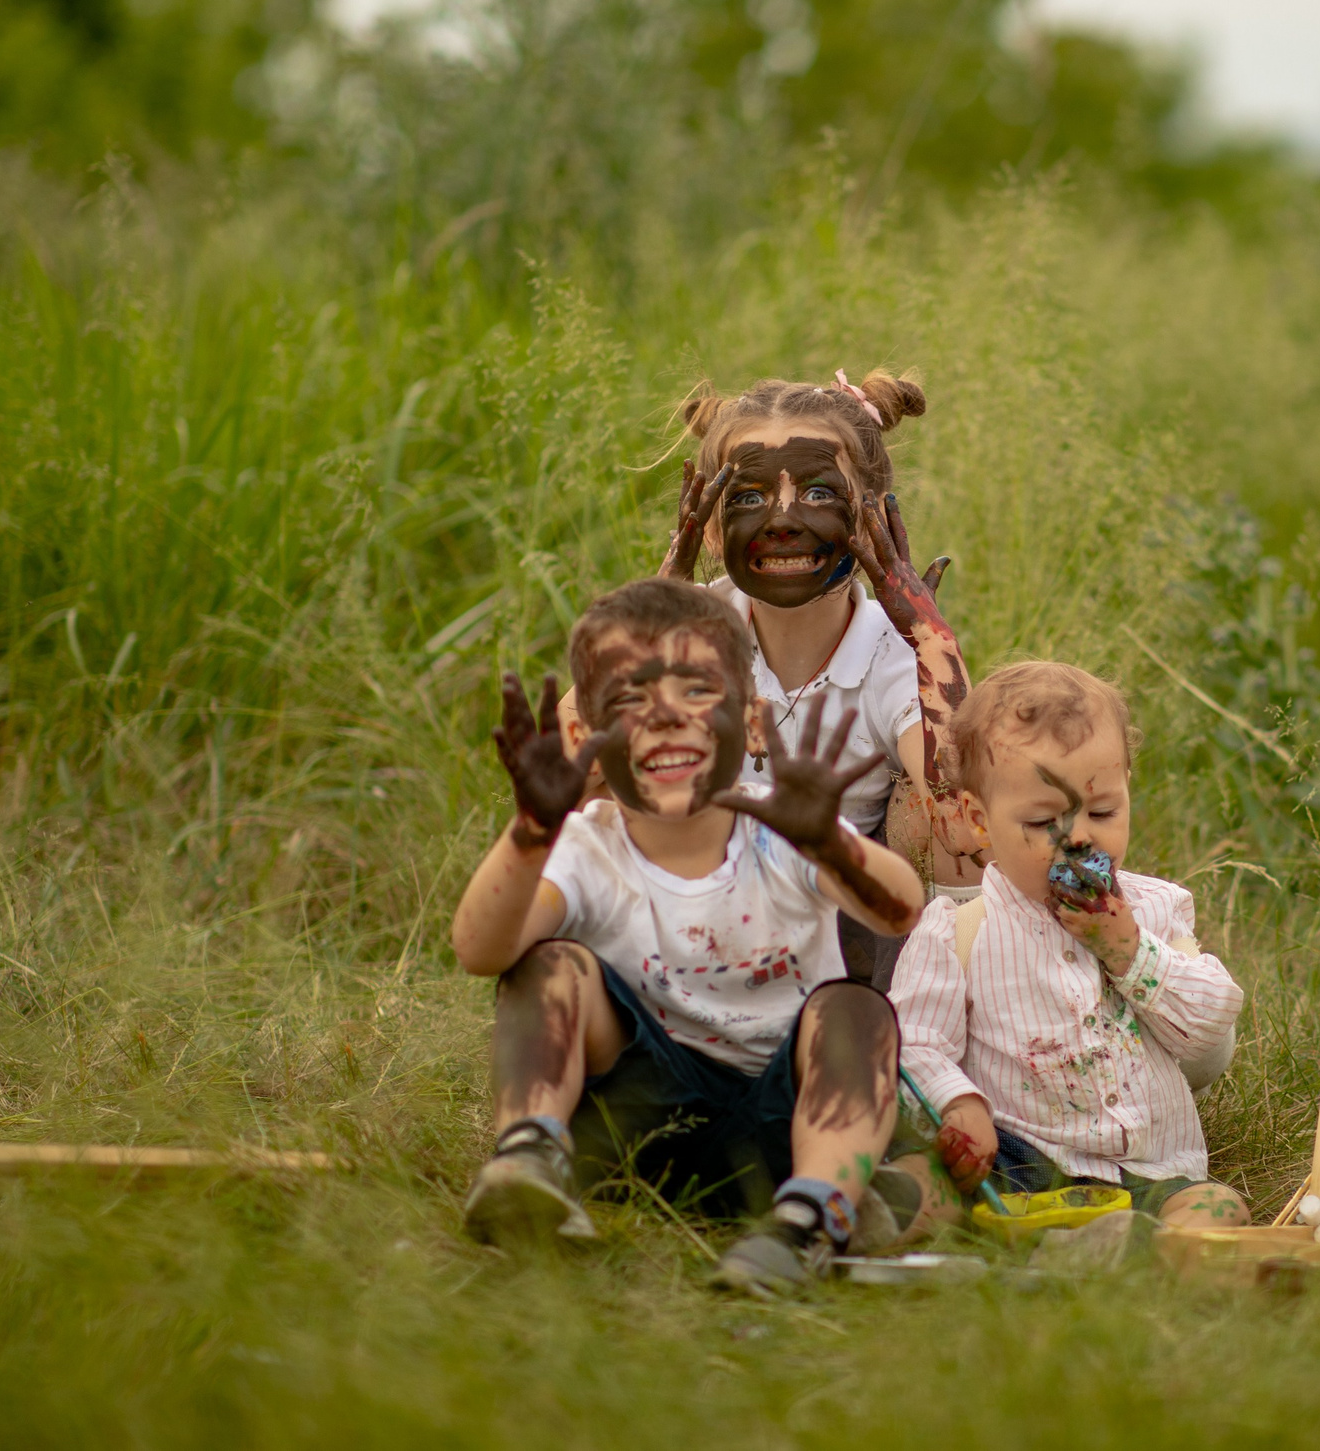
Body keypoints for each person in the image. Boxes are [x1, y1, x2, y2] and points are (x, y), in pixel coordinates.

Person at [450, 577, 926, 1296]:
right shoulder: (585, 846)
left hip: (784, 1127)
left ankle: (808, 1218)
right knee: (547, 966)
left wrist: (830, 845)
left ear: (755, 723)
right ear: (582, 739)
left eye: (697, 691)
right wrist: (530, 832)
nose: (666, 718)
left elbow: (900, 911)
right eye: (629, 700)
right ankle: (529, 1157)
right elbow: (480, 951)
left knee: (857, 1011)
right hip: (632, 1131)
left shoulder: (785, 825)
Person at [889, 661, 1250, 1232]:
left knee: (1219, 1210)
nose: (1079, 836)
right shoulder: (957, 932)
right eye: (1042, 821)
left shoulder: (1156, 911)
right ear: (979, 821)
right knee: (919, 1179)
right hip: (1010, 1165)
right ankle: (890, 1223)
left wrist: (1130, 951)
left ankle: (1134, 1247)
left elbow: (1210, 1027)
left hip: (1144, 1173)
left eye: (1103, 811)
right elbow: (914, 1044)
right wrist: (958, 1105)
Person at [651, 368, 982, 990]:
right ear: (712, 527)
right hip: (702, 911)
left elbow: (969, 813)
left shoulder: (894, 652)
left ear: (872, 517)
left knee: (927, 807)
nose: (782, 520)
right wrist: (655, 621)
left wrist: (934, 644)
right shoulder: (690, 627)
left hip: (848, 923)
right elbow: (582, 761)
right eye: (748, 498)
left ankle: (944, 1011)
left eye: (819, 492)